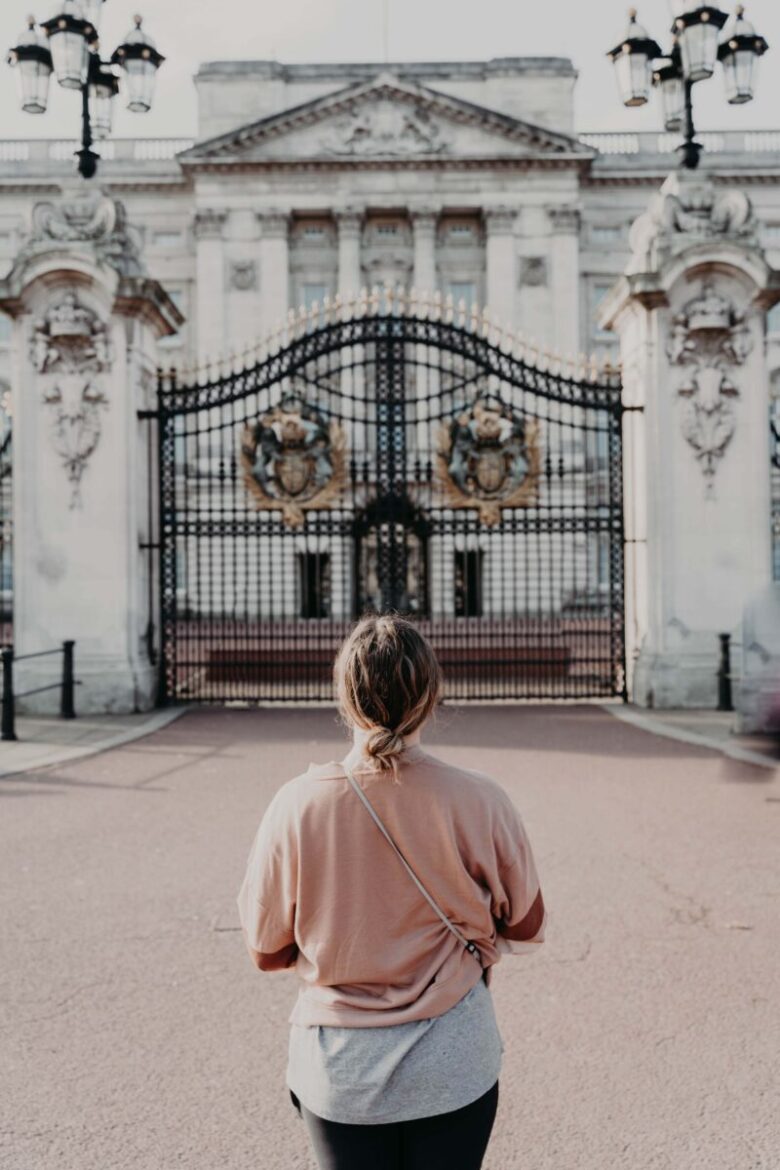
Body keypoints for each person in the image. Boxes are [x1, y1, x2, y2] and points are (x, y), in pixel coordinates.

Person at [237, 614, 546, 1170]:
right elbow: (525, 923)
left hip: (340, 1065)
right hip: (453, 1058)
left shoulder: (296, 803)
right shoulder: (479, 798)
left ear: (344, 696)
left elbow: (265, 952)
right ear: (430, 697)